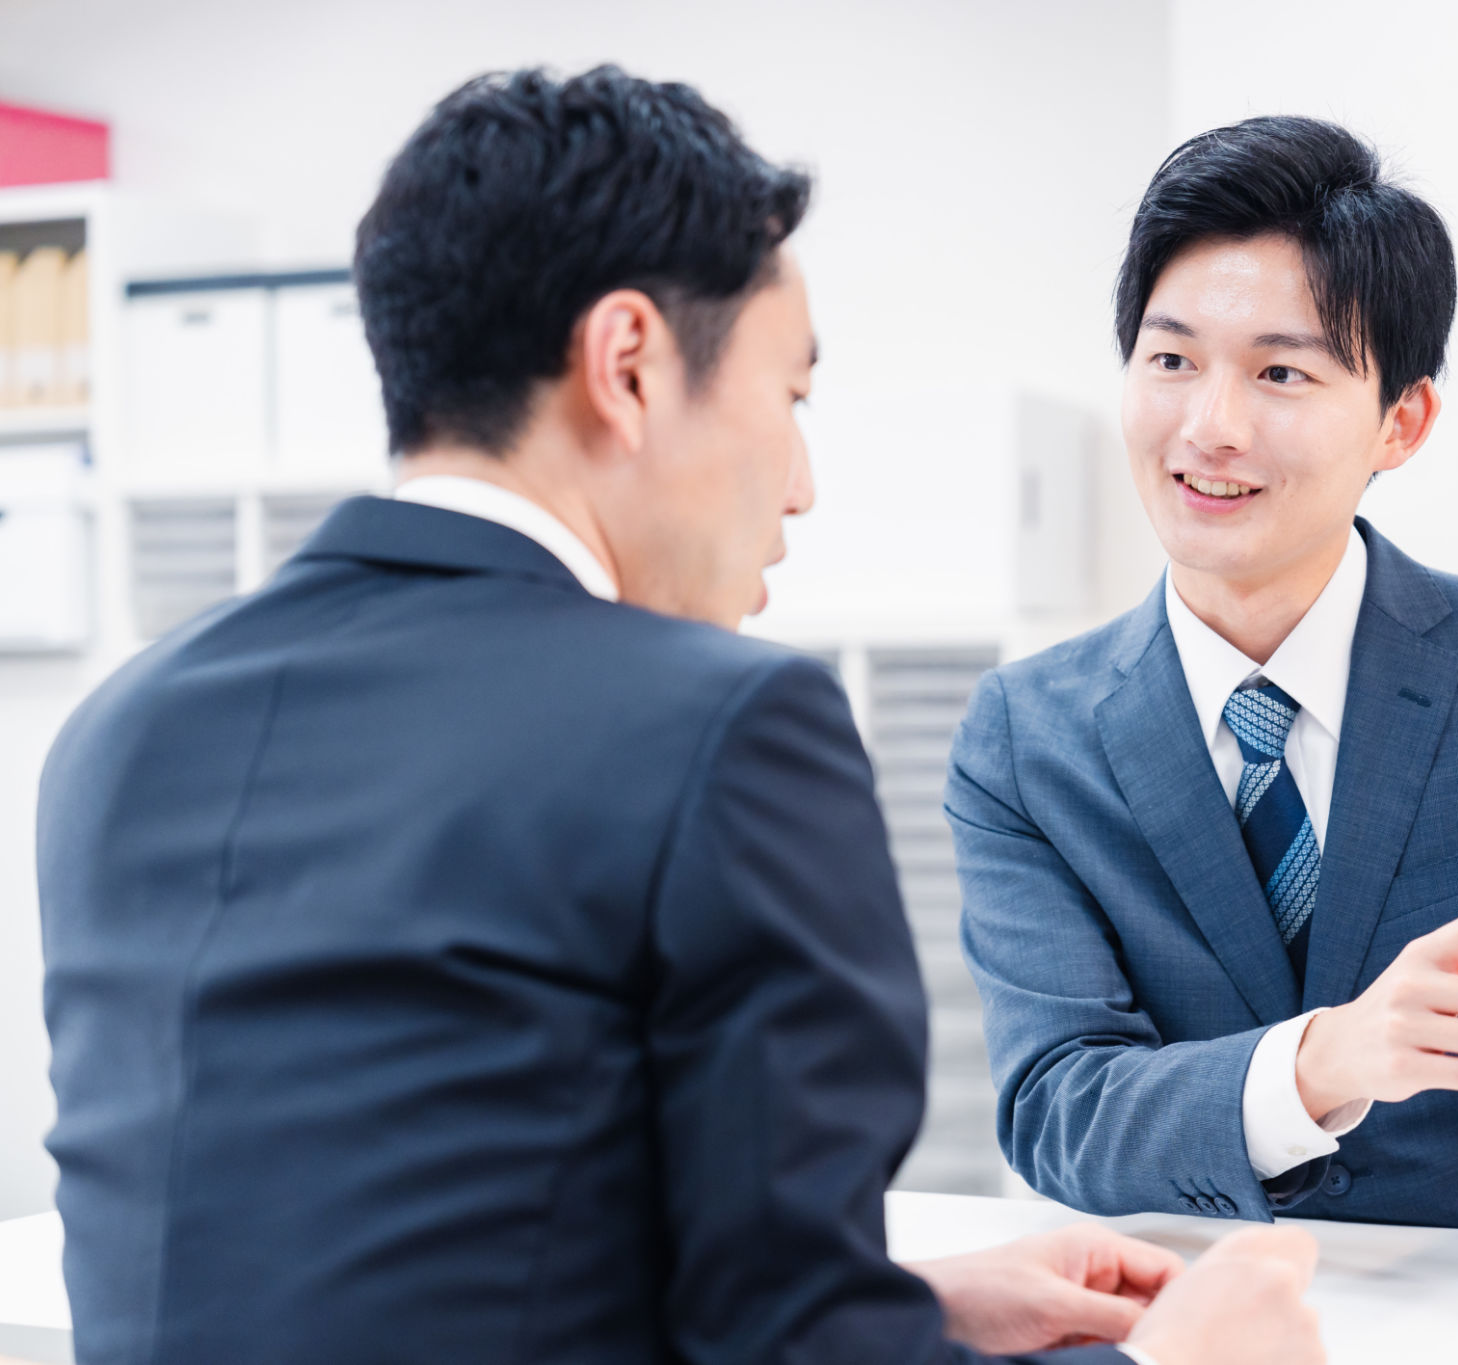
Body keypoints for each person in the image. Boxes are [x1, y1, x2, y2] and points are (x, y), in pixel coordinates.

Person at [37, 69, 1323, 1365]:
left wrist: (908, 1300)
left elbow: (394, 1265)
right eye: (792, 399)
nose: (804, 485)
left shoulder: (124, 730)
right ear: (630, 366)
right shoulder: (719, 728)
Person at [945, 117, 1458, 1238]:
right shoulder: (1023, 737)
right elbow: (1056, 1112)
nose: (1208, 425)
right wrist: (1319, 1063)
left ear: (1401, 420)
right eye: (1170, 359)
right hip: (1209, 1331)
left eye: (1279, 372)